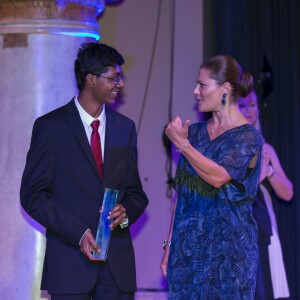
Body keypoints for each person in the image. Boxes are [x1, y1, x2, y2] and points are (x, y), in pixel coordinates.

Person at [20, 43, 149, 300]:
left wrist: (124, 214)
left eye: (120, 77)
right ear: (91, 79)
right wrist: (78, 233)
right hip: (69, 267)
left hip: (116, 271)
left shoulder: (125, 128)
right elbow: (32, 196)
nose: (120, 84)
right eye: (114, 78)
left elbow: (136, 194)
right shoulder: (50, 127)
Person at [161, 55, 263, 299]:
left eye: (202, 85)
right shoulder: (194, 134)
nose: (196, 91)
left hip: (229, 258)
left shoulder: (248, 137)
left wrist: (182, 145)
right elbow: (181, 195)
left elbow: (218, 177)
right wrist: (169, 246)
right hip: (188, 253)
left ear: (225, 89)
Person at [238, 90, 293, 300]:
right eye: (242, 105)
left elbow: (288, 193)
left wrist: (269, 171)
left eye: (252, 105)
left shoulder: (265, 147)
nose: (249, 110)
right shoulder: (229, 146)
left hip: (263, 222)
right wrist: (259, 174)